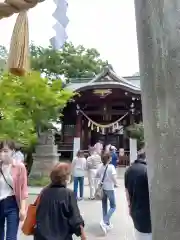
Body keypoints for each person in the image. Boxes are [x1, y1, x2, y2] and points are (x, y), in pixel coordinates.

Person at [34, 162, 86, 240]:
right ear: (66, 178)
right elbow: (75, 219)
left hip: (42, 236)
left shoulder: (44, 192)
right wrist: (83, 236)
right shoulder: (68, 194)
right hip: (62, 236)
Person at [0, 140, 28, 240]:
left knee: (11, 237)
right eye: (1, 151)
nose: (2, 153)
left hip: (12, 203)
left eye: (5, 151)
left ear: (12, 151)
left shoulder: (20, 167)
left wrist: (23, 209)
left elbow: (23, 189)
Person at [124, 145, 152, 240]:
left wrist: (129, 206)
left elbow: (127, 191)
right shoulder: (147, 170)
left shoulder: (128, 170)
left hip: (135, 210)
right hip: (148, 212)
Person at [96, 152, 117, 235]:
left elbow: (97, 175)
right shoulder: (111, 167)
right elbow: (114, 177)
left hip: (103, 188)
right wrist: (116, 183)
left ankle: (106, 223)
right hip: (110, 188)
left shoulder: (100, 167)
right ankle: (105, 221)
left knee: (104, 205)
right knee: (113, 206)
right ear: (109, 159)